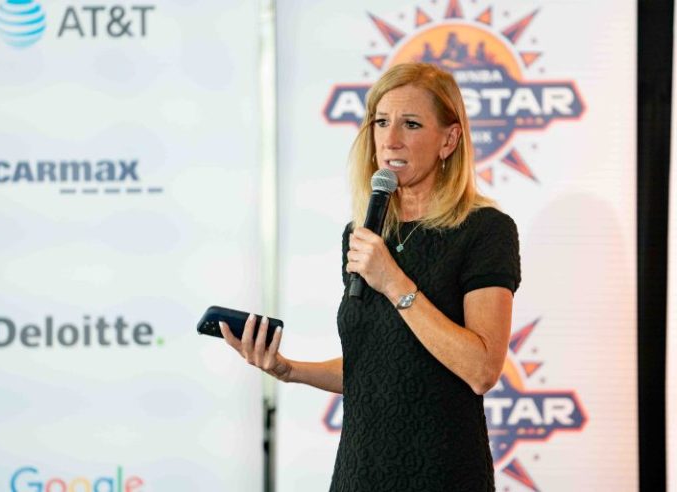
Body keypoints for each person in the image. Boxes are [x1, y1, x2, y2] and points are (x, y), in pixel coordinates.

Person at [219, 62, 520, 491]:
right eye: (381, 122)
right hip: (359, 472)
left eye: (411, 124)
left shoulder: (485, 229)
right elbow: (375, 366)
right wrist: (289, 369)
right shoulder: (363, 233)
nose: (390, 139)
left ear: (449, 140)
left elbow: (481, 370)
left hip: (443, 472)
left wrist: (394, 282)